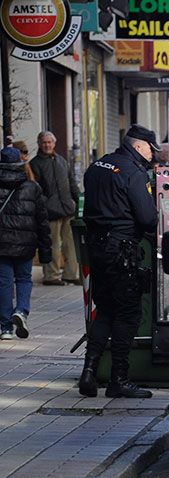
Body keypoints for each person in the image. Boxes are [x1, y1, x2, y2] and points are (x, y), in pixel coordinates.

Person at [77, 125, 159, 399]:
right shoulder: (133, 173)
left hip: (97, 248)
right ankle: (118, 379)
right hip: (122, 250)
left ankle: (89, 372)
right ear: (138, 146)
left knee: (106, 309)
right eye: (150, 149)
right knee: (128, 312)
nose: (152, 155)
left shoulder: (97, 166)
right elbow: (148, 219)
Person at [0, 146, 51, 340]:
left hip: (2, 244)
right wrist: (46, 250)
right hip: (26, 244)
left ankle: (5, 328)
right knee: (23, 279)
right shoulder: (32, 187)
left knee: (4, 283)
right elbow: (42, 222)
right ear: (20, 164)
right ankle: (21, 311)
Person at [29, 131, 81, 286]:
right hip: (50, 212)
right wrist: (46, 205)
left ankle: (71, 274)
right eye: (44, 142)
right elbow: (36, 190)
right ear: (39, 144)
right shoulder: (35, 163)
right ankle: (51, 276)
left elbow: (72, 183)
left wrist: (78, 201)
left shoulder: (62, 161)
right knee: (52, 244)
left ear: (54, 143)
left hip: (67, 209)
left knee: (70, 245)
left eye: (49, 142)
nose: (47, 145)